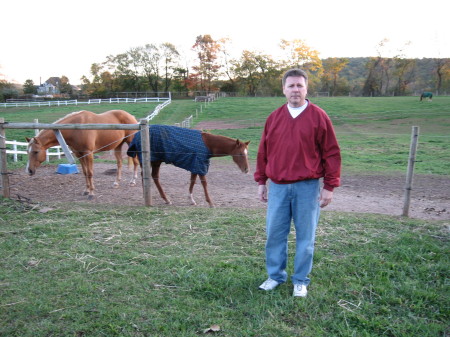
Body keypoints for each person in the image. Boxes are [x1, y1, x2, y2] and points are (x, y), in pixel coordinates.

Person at [254, 68, 341, 297]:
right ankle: (275, 276)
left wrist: (329, 186)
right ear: (283, 89)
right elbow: (263, 152)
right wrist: (261, 181)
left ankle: (300, 280)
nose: (295, 90)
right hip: (279, 187)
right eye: (291, 86)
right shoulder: (274, 118)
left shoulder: (319, 116)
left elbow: (331, 153)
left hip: (307, 186)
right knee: (275, 234)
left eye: (299, 85)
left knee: (306, 236)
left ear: (306, 88)